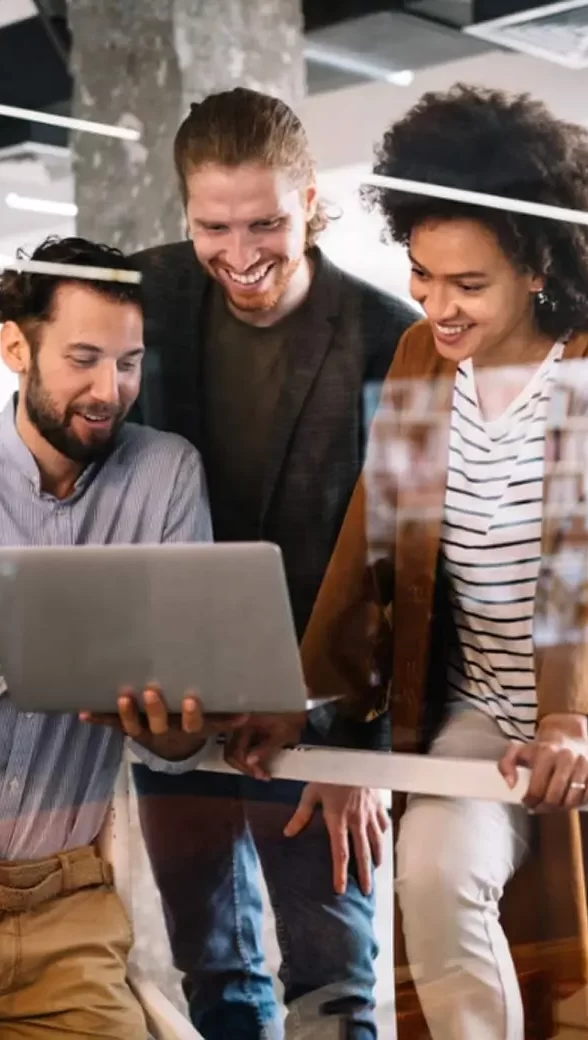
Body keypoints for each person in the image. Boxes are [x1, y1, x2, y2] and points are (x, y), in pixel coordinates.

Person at [301, 84, 588, 1040]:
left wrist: (566, 715)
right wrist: (314, 712)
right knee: (432, 878)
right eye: (422, 274)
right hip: (474, 711)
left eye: (468, 285)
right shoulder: (421, 357)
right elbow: (379, 536)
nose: (436, 305)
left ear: (538, 266)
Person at [130, 87, 416, 1039]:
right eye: (214, 225)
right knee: (214, 973)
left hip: (319, 715)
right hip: (180, 705)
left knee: (333, 985)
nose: (240, 253)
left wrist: (363, 755)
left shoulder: (389, 337)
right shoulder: (146, 296)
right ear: (184, 213)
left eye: (266, 222)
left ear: (313, 205)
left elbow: (411, 566)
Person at [0, 236, 248, 1040]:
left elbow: (175, 724)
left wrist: (179, 734)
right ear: (14, 347)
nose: (111, 390)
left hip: (67, 907)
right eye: (83, 359)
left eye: (130, 363)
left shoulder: (166, 473)